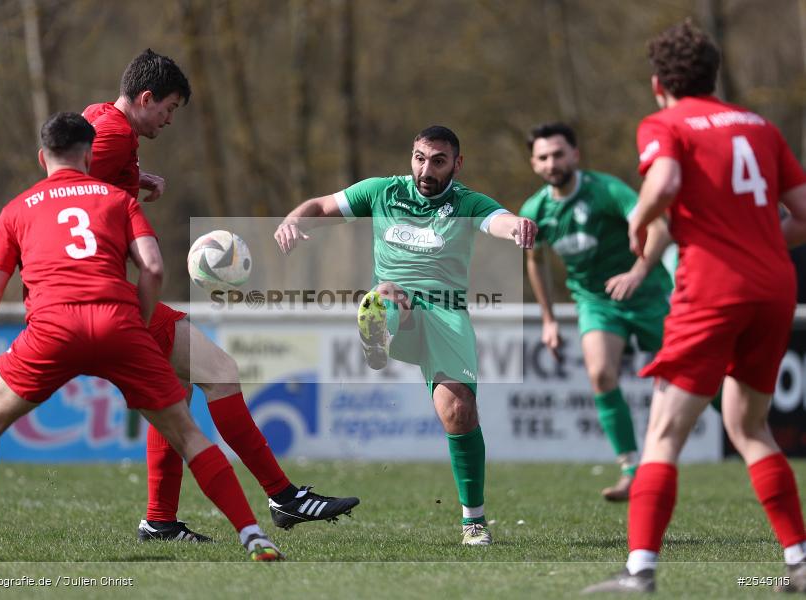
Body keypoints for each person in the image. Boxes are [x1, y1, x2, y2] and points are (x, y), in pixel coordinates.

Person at [0, 113, 282, 562]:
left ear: (42, 157)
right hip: (118, 322)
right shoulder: (116, 199)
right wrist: (141, 322)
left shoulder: (18, 208)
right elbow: (152, 267)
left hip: (52, 328)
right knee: (188, 435)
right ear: (89, 155)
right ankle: (254, 536)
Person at [82, 49, 359, 542]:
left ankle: (160, 520)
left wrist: (131, 179)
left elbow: (71, 175)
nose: (169, 120)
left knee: (177, 386)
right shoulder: (114, 134)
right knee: (221, 372)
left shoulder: (99, 117)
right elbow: (74, 192)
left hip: (85, 291)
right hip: (98, 293)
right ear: (145, 98)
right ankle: (283, 496)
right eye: (167, 109)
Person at [583, 21, 806, 593]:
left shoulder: (665, 123)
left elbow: (665, 180)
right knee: (749, 424)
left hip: (712, 289)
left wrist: (638, 218)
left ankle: (639, 573)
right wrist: (758, 250)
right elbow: (803, 213)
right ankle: (800, 560)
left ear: (660, 84)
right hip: (776, 287)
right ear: (714, 75)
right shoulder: (760, 126)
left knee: (662, 432)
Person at [274, 125, 537, 545]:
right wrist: (292, 220)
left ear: (457, 164)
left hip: (445, 315)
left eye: (438, 161)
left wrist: (518, 226)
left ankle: (473, 521)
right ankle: (377, 339)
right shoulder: (382, 192)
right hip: (399, 310)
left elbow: (499, 221)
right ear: (410, 156)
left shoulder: (467, 202)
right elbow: (322, 206)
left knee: (458, 411)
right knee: (386, 293)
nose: (426, 169)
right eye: (419, 158)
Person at [520, 122, 673, 501]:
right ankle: (632, 470)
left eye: (558, 153)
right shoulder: (535, 210)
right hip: (597, 302)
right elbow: (535, 262)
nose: (551, 162)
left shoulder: (605, 190)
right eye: (543, 157)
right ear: (534, 164)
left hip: (649, 294)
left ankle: (748, 429)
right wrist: (549, 319)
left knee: (698, 375)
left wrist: (638, 272)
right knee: (601, 373)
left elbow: (660, 227)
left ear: (575, 155)